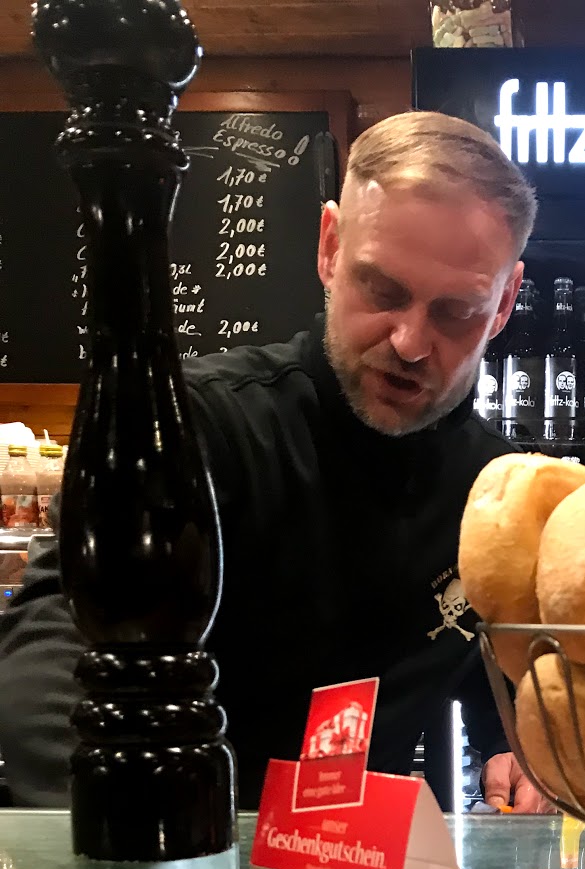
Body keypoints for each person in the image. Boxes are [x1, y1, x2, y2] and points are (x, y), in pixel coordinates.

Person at [0, 111, 550, 815]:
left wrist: (523, 746)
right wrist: (134, 842)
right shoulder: (196, 425)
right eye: (382, 291)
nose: (410, 342)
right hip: (181, 856)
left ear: (504, 303)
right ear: (330, 247)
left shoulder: (498, 493)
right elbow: (54, 642)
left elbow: (501, 668)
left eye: (457, 312)